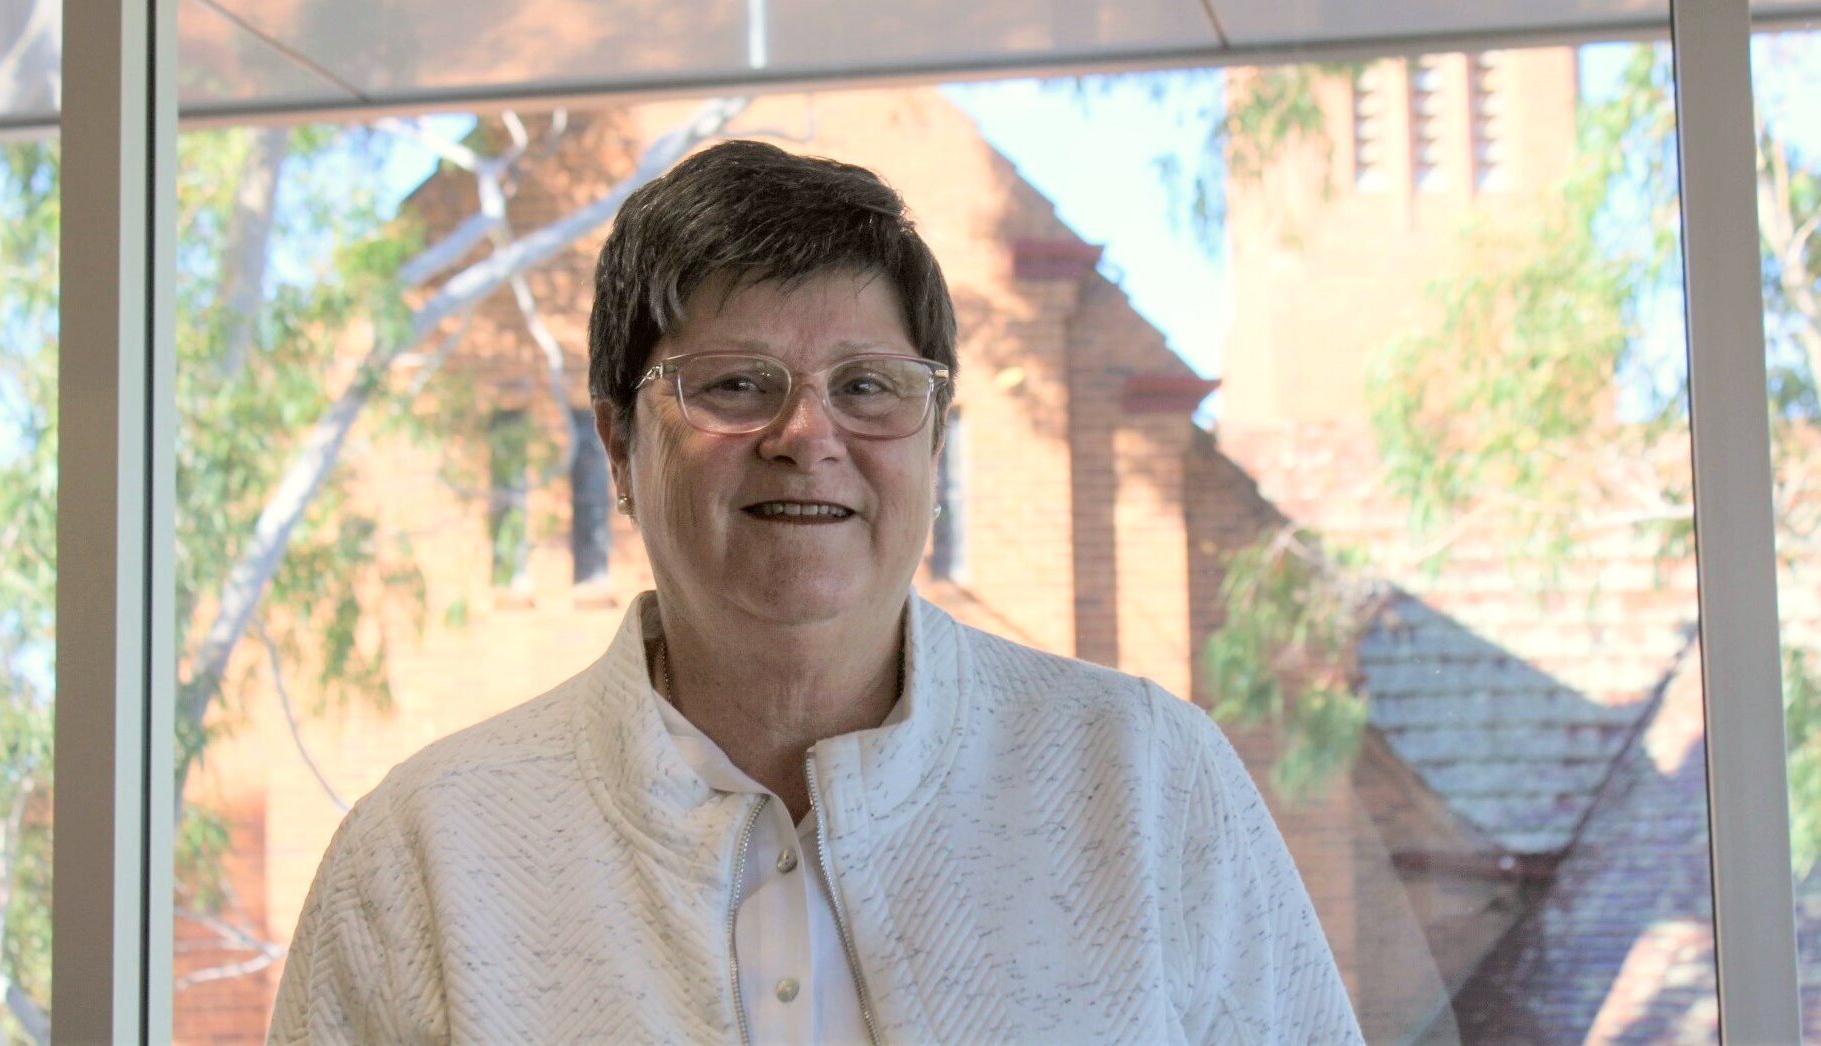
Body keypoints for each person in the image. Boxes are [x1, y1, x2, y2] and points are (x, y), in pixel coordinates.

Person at [268, 139, 1362, 1044]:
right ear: (615, 445)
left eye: (869, 387)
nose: (807, 436)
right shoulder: (427, 851)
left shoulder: (1147, 785)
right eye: (736, 384)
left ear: (933, 440)